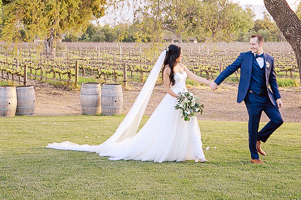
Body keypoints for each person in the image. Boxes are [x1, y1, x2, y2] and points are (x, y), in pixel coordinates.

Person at [47, 44, 213, 162]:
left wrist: (210, 83)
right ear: (174, 54)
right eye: (180, 53)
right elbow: (167, 89)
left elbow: (194, 77)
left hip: (185, 99)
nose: (182, 55)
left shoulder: (182, 66)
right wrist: (180, 98)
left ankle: (196, 154)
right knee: (170, 127)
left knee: (189, 124)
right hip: (175, 100)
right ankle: (172, 151)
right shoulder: (168, 70)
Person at [209, 33, 283, 164]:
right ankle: (254, 157)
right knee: (253, 125)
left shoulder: (269, 59)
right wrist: (216, 82)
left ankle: (258, 139)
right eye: (250, 44)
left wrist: (278, 97)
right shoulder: (244, 57)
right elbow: (230, 69)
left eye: (253, 44)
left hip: (267, 97)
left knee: (278, 120)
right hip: (252, 97)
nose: (251, 46)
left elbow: (273, 79)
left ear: (261, 44)